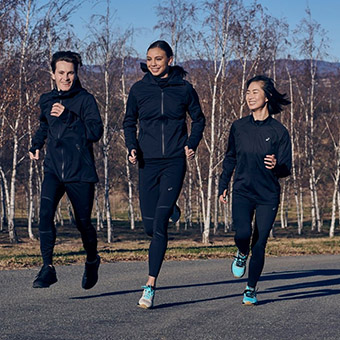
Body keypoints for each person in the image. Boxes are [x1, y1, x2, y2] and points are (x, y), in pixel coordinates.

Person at [123, 40, 205, 309]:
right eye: (149, 59)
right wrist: (132, 147)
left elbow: (198, 118)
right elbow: (129, 121)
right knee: (149, 226)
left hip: (173, 161)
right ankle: (171, 208)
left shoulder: (183, 89)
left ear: (170, 59)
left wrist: (191, 144)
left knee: (158, 226)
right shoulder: (138, 90)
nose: (153, 63)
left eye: (158, 58)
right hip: (147, 162)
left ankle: (150, 286)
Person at [29, 51, 103, 289]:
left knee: (83, 224)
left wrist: (70, 116)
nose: (66, 77)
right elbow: (44, 124)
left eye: (70, 73)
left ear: (76, 73)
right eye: (61, 73)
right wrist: (36, 144)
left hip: (80, 172)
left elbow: (95, 132)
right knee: (44, 215)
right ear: (53, 74)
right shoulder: (46, 100)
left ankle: (92, 259)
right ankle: (48, 267)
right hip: (53, 170)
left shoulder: (85, 100)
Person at [219, 75, 291, 305]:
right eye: (248, 92)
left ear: (267, 96)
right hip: (242, 191)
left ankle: (251, 288)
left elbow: (286, 168)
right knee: (242, 235)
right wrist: (223, 185)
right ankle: (241, 254)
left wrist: (276, 166)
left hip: (267, 195)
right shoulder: (238, 127)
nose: (249, 96)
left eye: (255, 92)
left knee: (259, 243)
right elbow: (230, 157)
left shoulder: (279, 132)